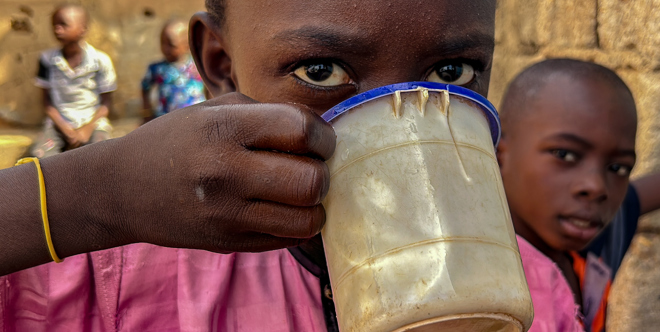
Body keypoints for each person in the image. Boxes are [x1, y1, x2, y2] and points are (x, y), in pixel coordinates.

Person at [0, 0, 498, 331]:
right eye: (320, 71)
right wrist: (96, 195)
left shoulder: (530, 292)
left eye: (452, 72)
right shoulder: (111, 275)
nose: (402, 136)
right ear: (220, 64)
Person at [497, 59, 660, 332]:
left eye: (618, 168)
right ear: (498, 155)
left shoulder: (597, 246)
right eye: (565, 155)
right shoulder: (479, 292)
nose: (597, 187)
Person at [31, 4, 117, 158]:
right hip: (58, 124)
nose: (57, 29)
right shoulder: (47, 60)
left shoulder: (100, 61)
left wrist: (87, 129)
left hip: (93, 122)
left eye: (63, 24)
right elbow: (47, 102)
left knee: (104, 154)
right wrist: (64, 128)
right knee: (40, 156)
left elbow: (106, 104)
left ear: (83, 28)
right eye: (54, 25)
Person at [141, 19, 205, 123]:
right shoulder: (157, 68)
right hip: (167, 119)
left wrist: (214, 106)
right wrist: (147, 111)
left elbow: (210, 86)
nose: (166, 49)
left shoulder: (198, 65)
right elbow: (145, 87)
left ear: (186, 44)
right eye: (163, 43)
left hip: (197, 116)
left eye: (171, 45)